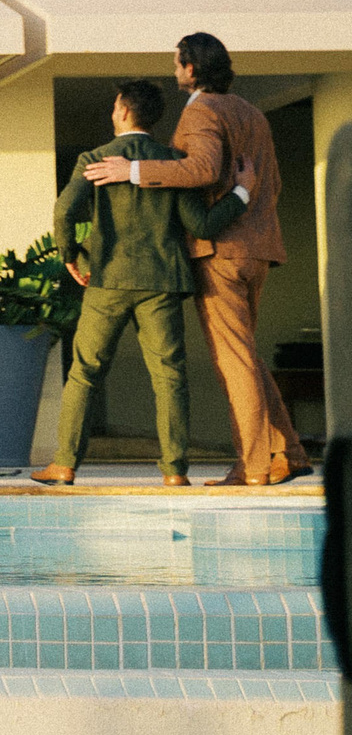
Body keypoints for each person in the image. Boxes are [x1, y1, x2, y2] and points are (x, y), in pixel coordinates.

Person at [81, 31, 304, 485]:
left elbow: (201, 168)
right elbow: (272, 182)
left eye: (176, 63)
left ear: (191, 68)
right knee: (246, 355)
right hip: (258, 249)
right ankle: (289, 452)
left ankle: (254, 466)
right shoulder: (251, 113)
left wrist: (132, 170)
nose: (174, 70)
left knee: (233, 360)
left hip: (220, 250)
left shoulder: (202, 110)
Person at [38, 80, 252, 487]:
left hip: (108, 279)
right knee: (169, 376)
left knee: (84, 373)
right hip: (162, 281)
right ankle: (174, 471)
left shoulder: (94, 159)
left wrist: (69, 255)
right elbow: (202, 224)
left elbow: (65, 209)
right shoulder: (172, 162)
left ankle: (64, 464)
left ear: (121, 111)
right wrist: (241, 193)